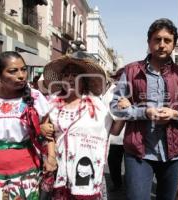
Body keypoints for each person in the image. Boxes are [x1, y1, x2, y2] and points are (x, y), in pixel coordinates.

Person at [110, 18, 178, 200]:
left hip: (173, 153)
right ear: (149, 42)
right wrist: (143, 112)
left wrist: (175, 114)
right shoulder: (132, 71)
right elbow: (115, 108)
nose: (162, 45)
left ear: (174, 44)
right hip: (138, 153)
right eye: (157, 40)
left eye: (167, 40)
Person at [41, 51, 121, 199]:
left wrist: (123, 114)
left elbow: (114, 131)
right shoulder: (51, 103)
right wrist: (43, 130)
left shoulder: (98, 105)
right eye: (66, 75)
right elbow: (46, 132)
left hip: (86, 172)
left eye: (75, 75)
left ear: (84, 80)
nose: (70, 78)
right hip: (58, 170)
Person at [0, 51, 54, 199]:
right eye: (13, 71)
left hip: (26, 172)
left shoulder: (35, 97)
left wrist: (51, 158)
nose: (21, 75)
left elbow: (49, 134)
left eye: (23, 69)